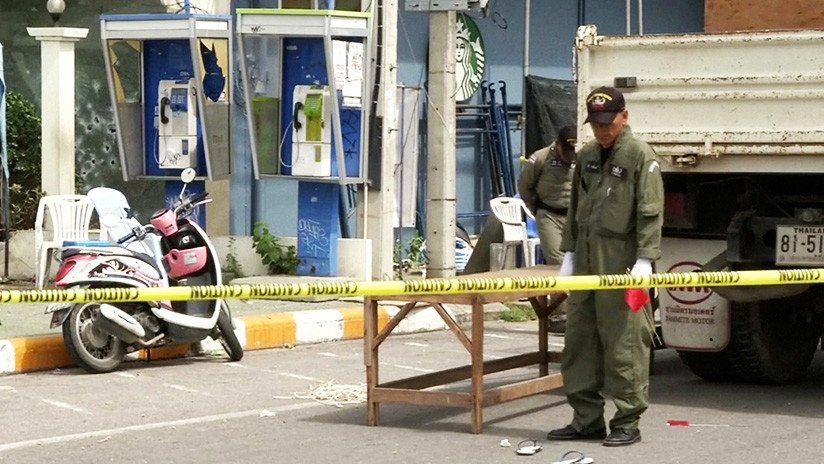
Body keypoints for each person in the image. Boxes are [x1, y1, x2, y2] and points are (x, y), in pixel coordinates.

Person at [546, 86, 664, 447]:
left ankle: (627, 420)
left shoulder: (641, 156)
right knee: (579, 341)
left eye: (607, 123)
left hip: (623, 262)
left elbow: (650, 210)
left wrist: (645, 259)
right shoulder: (587, 155)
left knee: (625, 342)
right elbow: (576, 208)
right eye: (596, 124)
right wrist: (568, 254)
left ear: (624, 117)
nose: (602, 130)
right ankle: (587, 420)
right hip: (585, 259)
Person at [517, 125, 577, 333]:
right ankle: (559, 314)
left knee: (581, 263)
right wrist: (537, 210)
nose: (570, 157)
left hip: (574, 217)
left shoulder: (584, 156)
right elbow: (525, 187)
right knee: (558, 264)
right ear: (557, 144)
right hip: (549, 215)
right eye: (566, 151)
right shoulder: (540, 158)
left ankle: (578, 312)